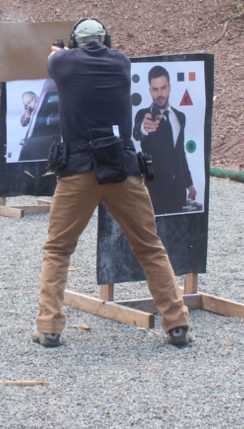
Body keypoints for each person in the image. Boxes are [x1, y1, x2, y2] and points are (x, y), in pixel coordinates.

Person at [33, 19, 192, 348]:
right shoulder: (121, 62)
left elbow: (56, 61)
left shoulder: (62, 62)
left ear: (75, 43)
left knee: (58, 250)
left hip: (78, 171)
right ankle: (177, 324)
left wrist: (60, 51)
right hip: (122, 171)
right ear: (105, 39)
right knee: (150, 248)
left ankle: (49, 327)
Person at [132, 65, 198, 215]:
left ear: (169, 88)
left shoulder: (180, 117)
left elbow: (180, 153)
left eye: (163, 88)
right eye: (155, 89)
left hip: (179, 190)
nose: (159, 94)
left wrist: (189, 184)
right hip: (155, 189)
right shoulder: (144, 114)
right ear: (150, 91)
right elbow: (137, 132)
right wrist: (144, 127)